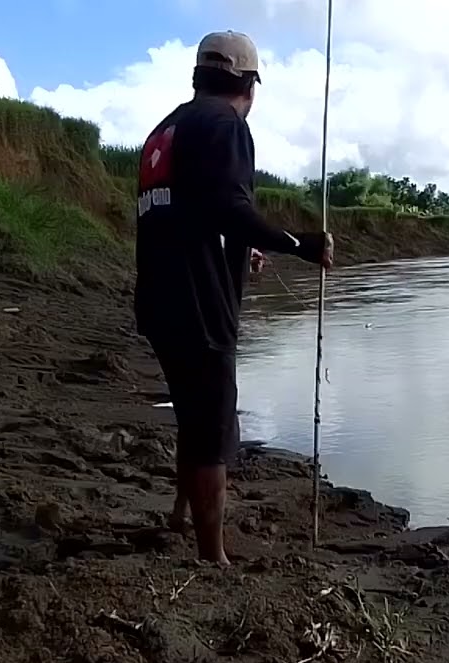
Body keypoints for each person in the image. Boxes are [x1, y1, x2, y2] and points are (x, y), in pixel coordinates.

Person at [134, 30, 334, 565]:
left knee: (193, 414)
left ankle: (179, 516)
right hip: (198, 303)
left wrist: (240, 248)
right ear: (249, 83)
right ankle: (212, 556)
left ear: (199, 76)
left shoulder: (167, 129)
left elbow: (192, 211)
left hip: (158, 297)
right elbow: (229, 208)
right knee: (213, 425)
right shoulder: (227, 126)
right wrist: (301, 244)